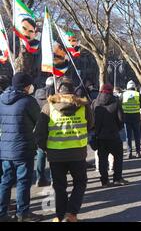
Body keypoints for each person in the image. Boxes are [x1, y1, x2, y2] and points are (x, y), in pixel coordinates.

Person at [35, 77, 94, 222]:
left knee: (59, 187)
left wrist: (45, 148)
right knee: (80, 183)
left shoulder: (48, 107)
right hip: (77, 153)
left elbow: (40, 133)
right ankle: (72, 213)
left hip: (56, 155)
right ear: (73, 90)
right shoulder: (83, 106)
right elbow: (90, 125)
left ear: (58, 90)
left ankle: (61, 216)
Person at [0, 73, 41, 222]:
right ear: (25, 86)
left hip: (5, 148)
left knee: (5, 181)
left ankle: (1, 213)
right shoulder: (28, 101)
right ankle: (22, 213)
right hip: (23, 148)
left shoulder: (1, 100)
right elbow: (40, 120)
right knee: (23, 181)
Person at [92, 84, 128, 187]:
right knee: (118, 157)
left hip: (100, 137)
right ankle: (117, 178)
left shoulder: (95, 103)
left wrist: (96, 130)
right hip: (113, 136)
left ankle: (104, 181)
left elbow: (92, 119)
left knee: (102, 160)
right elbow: (121, 119)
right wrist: (117, 128)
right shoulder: (116, 102)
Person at [33, 77, 55, 188]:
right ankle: (53, 178)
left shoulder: (37, 94)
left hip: (38, 128)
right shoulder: (54, 96)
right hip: (51, 127)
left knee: (40, 154)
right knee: (52, 155)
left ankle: (39, 178)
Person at [122, 81, 141, 159]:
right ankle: (138, 152)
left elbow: (119, 105)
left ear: (127, 87)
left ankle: (129, 153)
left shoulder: (123, 94)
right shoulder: (138, 94)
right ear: (134, 87)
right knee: (137, 136)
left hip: (126, 118)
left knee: (128, 136)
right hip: (136, 118)